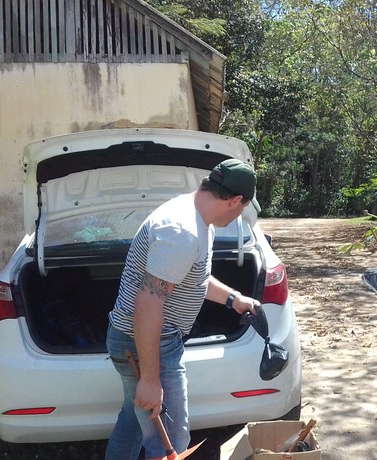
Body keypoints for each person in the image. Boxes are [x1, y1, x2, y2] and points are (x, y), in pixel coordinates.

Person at [105, 158, 262, 460]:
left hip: (137, 338)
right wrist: (151, 379)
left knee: (134, 420)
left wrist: (234, 299)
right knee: (171, 442)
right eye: (243, 208)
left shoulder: (196, 215)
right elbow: (148, 303)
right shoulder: (183, 233)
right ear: (235, 200)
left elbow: (193, 278)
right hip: (148, 343)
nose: (241, 214)